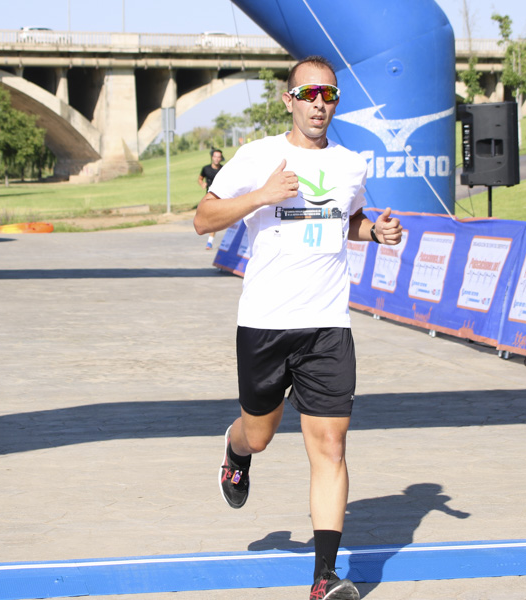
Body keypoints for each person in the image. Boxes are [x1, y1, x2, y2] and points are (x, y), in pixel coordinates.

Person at [193, 55, 403, 600]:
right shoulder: (258, 156)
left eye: (328, 95)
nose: (318, 104)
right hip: (265, 323)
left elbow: (344, 219)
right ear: (288, 100)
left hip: (327, 325)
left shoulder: (352, 165)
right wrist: (261, 195)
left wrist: (373, 232)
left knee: (330, 448)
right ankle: (236, 450)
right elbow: (202, 219)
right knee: (260, 433)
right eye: (308, 94)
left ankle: (323, 578)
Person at [198, 149, 225, 249]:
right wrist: (202, 183)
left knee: (217, 219)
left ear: (221, 158)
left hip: (221, 197)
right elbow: (200, 178)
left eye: (219, 157)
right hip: (209, 197)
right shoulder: (206, 169)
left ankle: (210, 241)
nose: (217, 159)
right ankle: (211, 240)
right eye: (215, 156)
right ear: (212, 157)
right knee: (212, 219)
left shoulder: (224, 169)